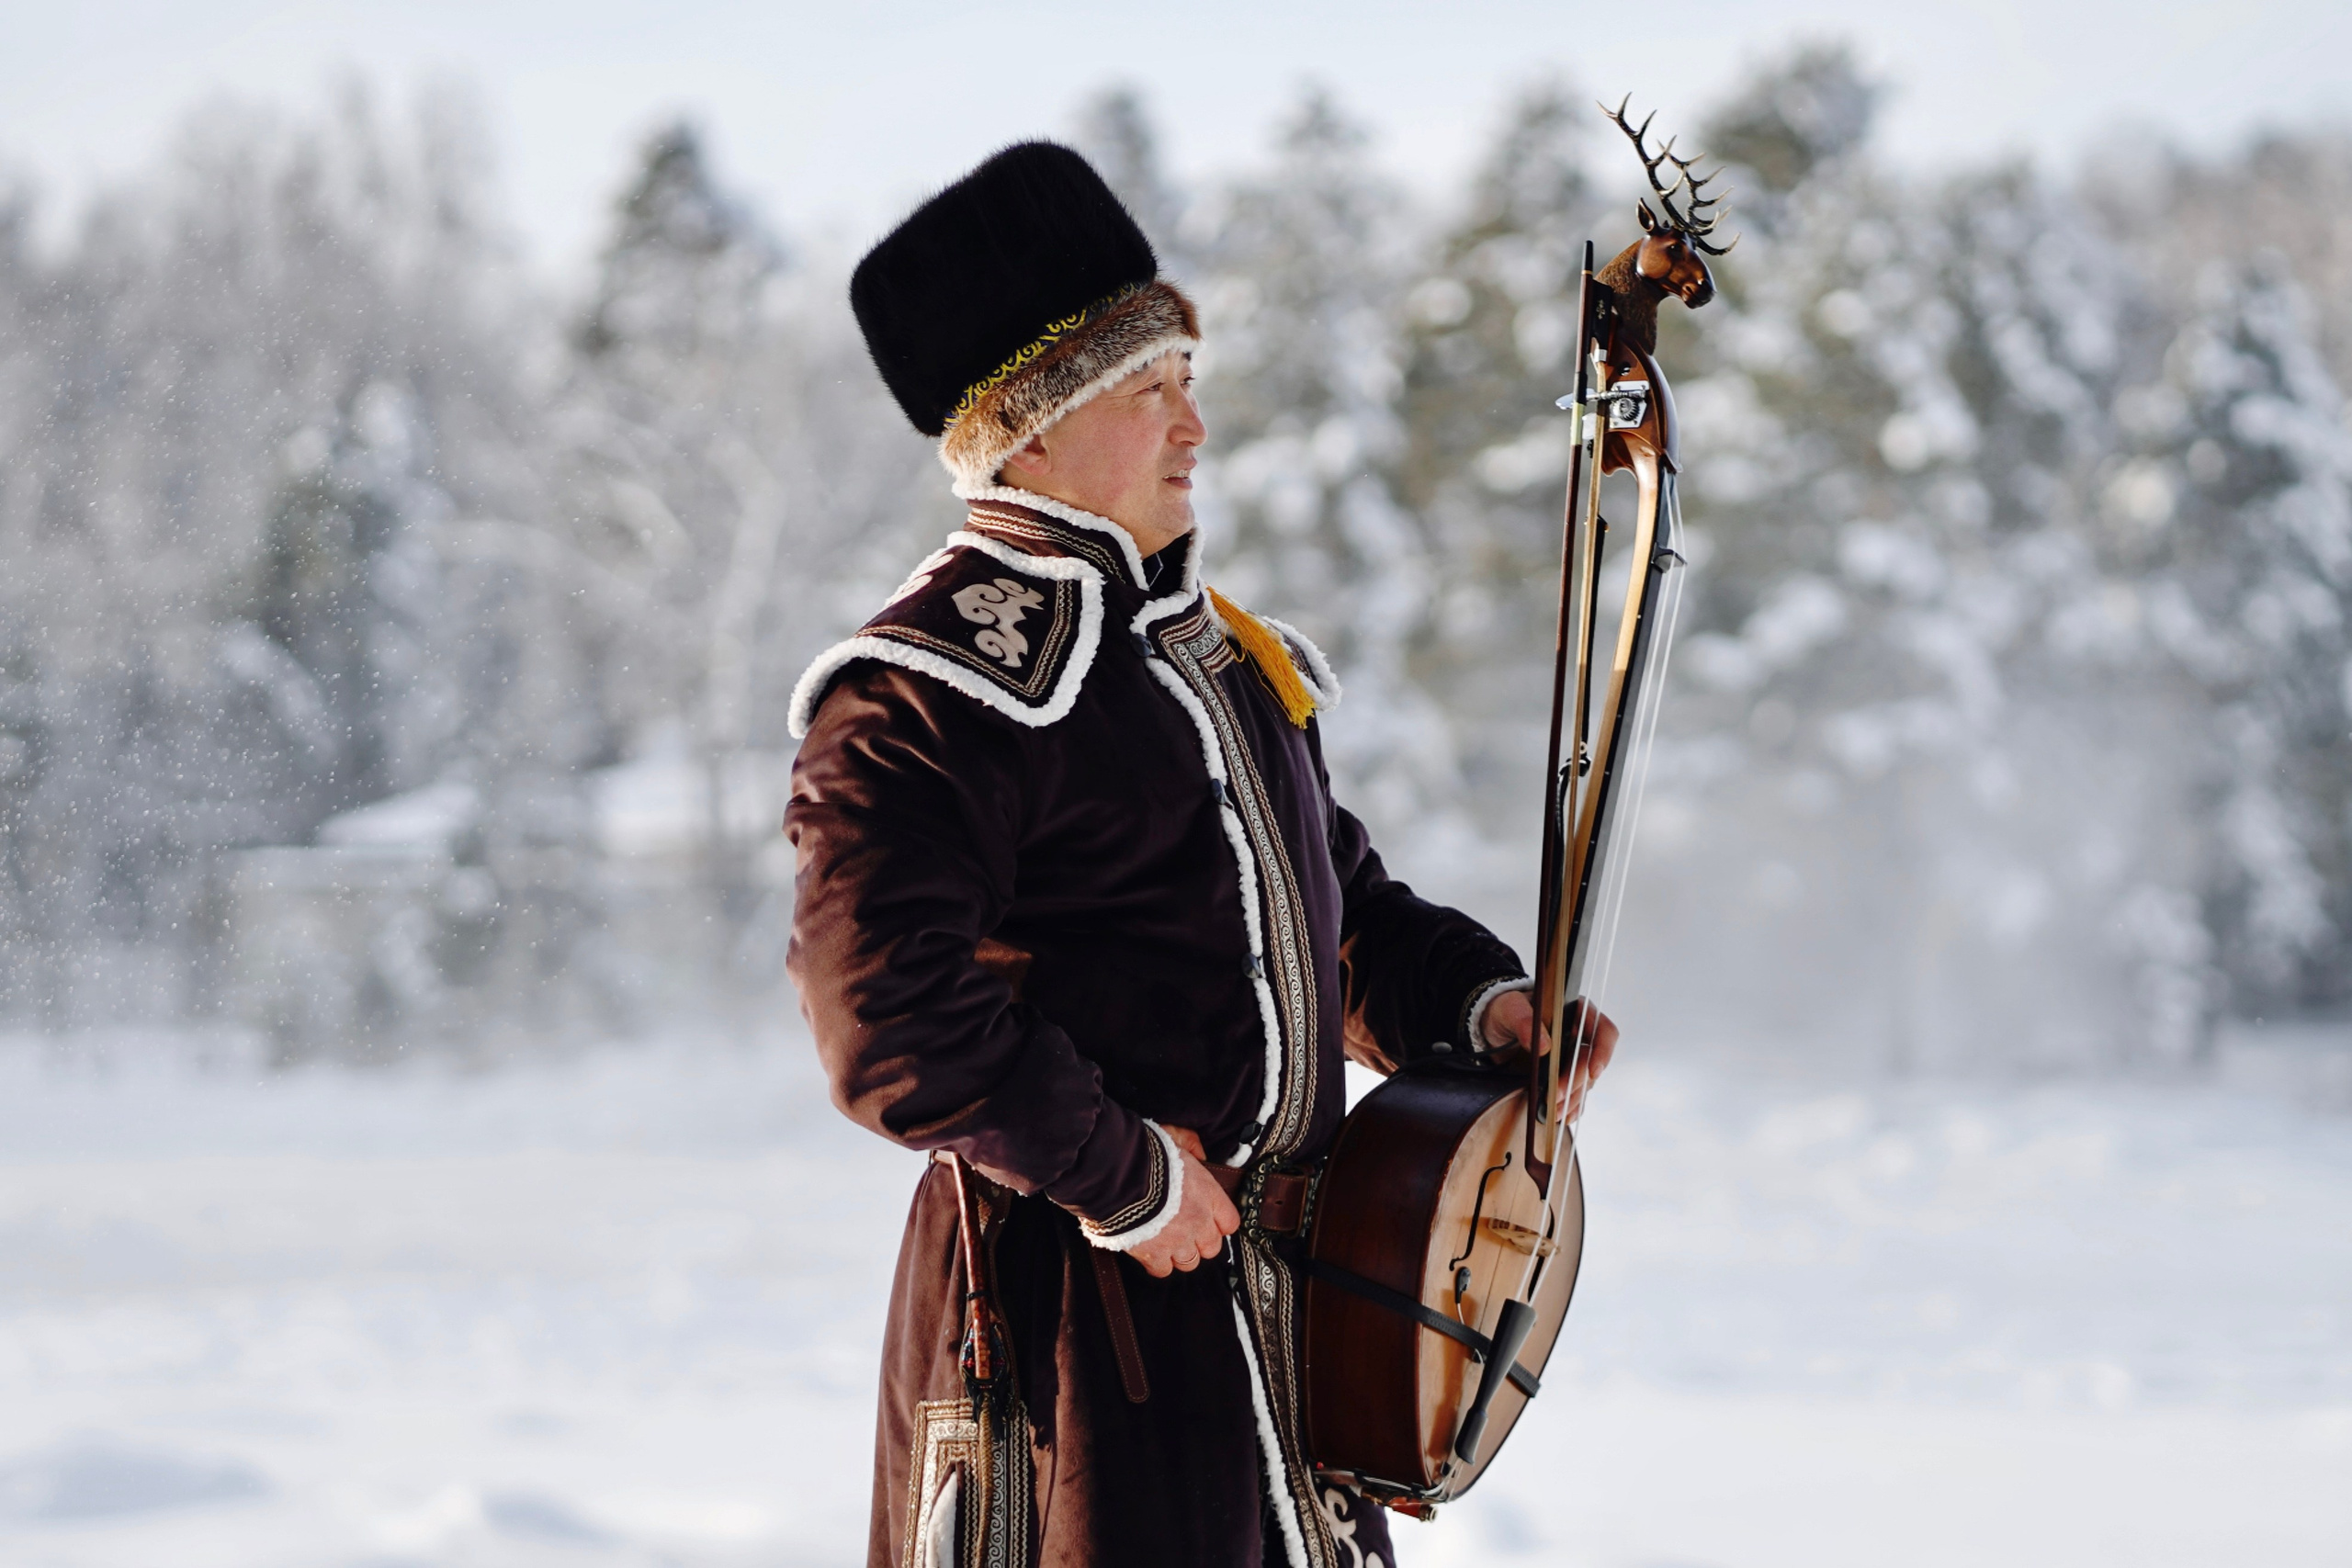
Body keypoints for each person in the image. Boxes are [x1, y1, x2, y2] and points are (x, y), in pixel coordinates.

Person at [785, 141, 1614, 1568]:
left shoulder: (1215, 660)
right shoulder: (925, 690)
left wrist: (1482, 1010)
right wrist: (1120, 1173)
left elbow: (1337, 919)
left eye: (1189, 382)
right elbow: (887, 1018)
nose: (1196, 426)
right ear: (1027, 432)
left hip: (1290, 1317)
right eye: (1148, 390)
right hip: (1075, 1332)